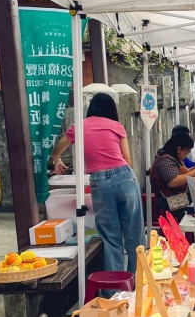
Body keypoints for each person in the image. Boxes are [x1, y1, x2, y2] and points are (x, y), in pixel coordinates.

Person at [50, 92, 143, 276]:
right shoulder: (116, 126)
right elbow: (128, 160)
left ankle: (114, 291)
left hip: (99, 181)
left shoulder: (79, 127)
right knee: (135, 235)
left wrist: (56, 159)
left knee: (111, 238)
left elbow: (58, 148)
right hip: (124, 177)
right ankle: (137, 284)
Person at [149, 131, 195, 221]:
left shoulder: (174, 159)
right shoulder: (165, 161)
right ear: (179, 149)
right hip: (167, 201)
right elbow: (173, 181)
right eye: (187, 151)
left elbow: (183, 174)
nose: (187, 154)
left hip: (175, 197)